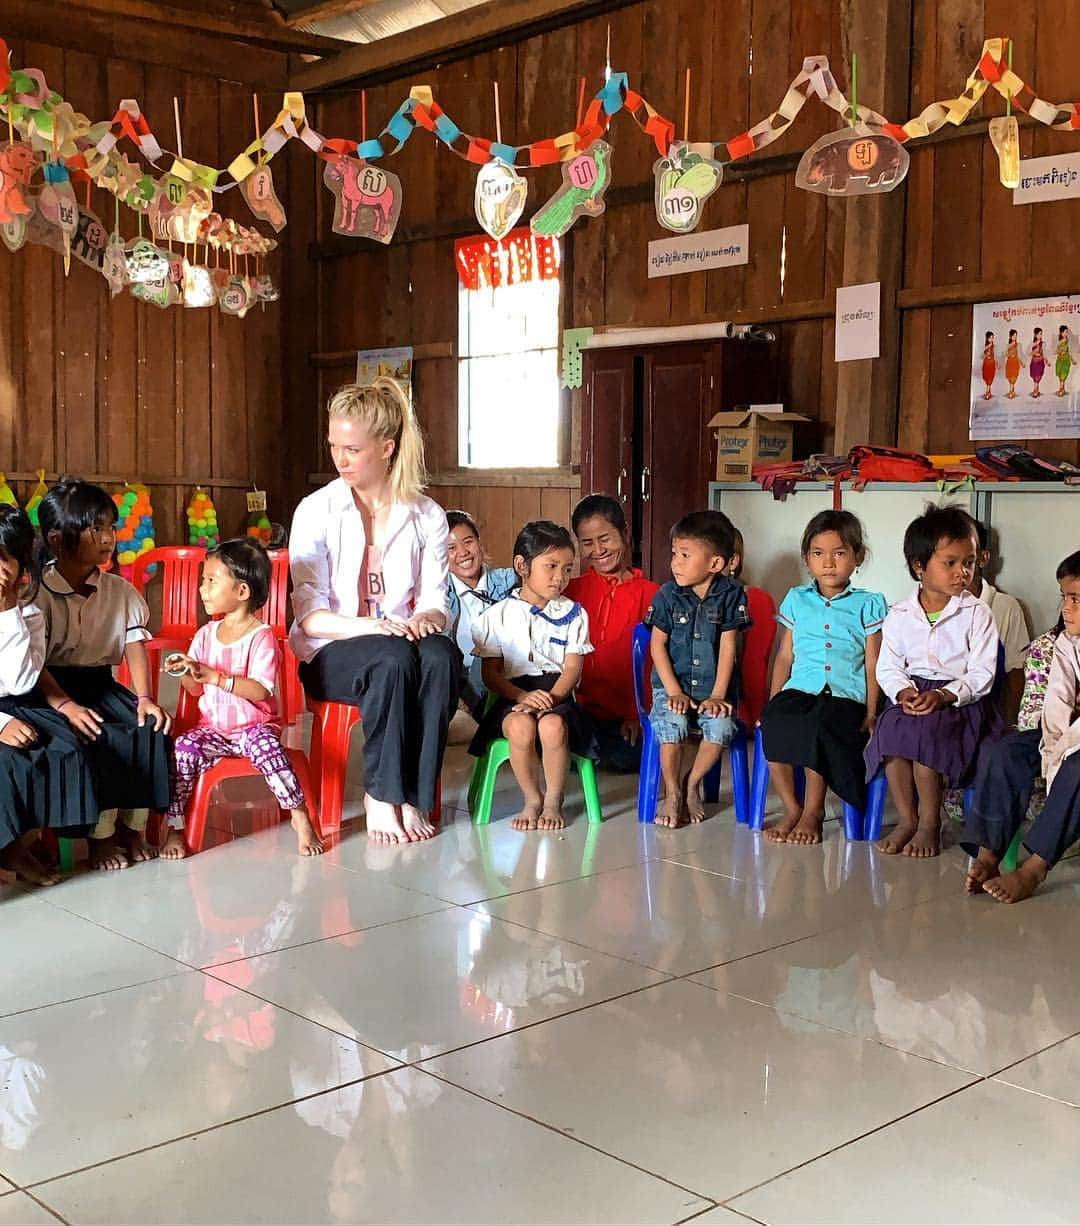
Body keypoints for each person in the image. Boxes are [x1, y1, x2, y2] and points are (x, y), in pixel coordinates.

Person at [289, 378, 459, 846]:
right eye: (334, 447)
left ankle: (416, 794)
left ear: (387, 448)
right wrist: (373, 626)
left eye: (352, 449)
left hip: (400, 641)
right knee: (391, 657)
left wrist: (429, 619)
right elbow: (310, 616)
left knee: (442, 657)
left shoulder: (426, 514)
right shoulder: (316, 510)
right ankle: (381, 795)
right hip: (333, 650)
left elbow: (435, 599)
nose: (340, 460)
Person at [33, 479, 172, 871]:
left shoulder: (120, 591)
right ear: (58, 539)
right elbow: (35, 664)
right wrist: (66, 706)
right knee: (95, 734)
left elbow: (133, 646)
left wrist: (145, 698)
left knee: (148, 728)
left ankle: (133, 828)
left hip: (100, 682)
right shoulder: (36, 594)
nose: (108, 537)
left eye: (110, 527)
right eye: (96, 529)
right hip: (51, 687)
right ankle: (100, 838)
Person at [161, 540, 323, 860]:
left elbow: (262, 691)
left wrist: (216, 677)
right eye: (202, 580)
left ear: (242, 592)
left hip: (254, 728)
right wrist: (184, 671)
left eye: (211, 581)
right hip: (214, 730)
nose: (201, 589)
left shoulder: (261, 636)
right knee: (181, 751)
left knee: (268, 750)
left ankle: (299, 816)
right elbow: (195, 691)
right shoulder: (205, 634)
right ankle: (176, 827)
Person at [865, 504, 1001, 858]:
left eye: (969, 562)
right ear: (919, 566)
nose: (963, 572)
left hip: (961, 703)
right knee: (891, 732)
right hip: (913, 693)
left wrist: (944, 695)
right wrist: (903, 691)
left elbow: (982, 675)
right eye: (951, 562)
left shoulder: (977, 613)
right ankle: (907, 818)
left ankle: (929, 821)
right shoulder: (899, 614)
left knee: (927, 735)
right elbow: (888, 666)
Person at [760, 510, 886, 845]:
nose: (828, 563)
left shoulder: (869, 604)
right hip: (801, 688)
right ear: (807, 559)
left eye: (839, 553)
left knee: (819, 726)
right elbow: (785, 655)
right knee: (774, 720)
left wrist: (873, 712)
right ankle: (792, 807)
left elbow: (874, 663)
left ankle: (814, 811)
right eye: (818, 554)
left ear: (858, 557)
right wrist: (774, 700)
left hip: (846, 696)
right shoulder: (797, 599)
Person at [962, 550, 1080, 902]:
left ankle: (1034, 869)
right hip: (1067, 736)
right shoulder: (1066, 642)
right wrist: (1053, 746)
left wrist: (1062, 754)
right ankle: (989, 853)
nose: (1066, 609)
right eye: (1064, 598)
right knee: (1006, 752)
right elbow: (1057, 702)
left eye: (1076, 599)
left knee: (1077, 768)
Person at [469, 520, 593, 832]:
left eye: (566, 569)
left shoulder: (574, 614)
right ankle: (532, 799)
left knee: (552, 725)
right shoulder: (495, 617)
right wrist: (523, 698)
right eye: (551, 566)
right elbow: (491, 676)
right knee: (520, 726)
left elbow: (573, 669)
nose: (559, 577)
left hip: (558, 693)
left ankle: (553, 798)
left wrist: (551, 699)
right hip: (513, 694)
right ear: (522, 566)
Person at [0, 507, 99, 885]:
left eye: (2, 559)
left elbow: (21, 679)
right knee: (8, 762)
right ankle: (9, 849)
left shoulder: (27, 615)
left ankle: (25, 839)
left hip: (16, 700)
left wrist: (7, 611)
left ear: (21, 568)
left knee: (64, 750)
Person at [645, 510, 750, 828]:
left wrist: (718, 695)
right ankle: (673, 792)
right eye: (674, 553)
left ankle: (692, 785)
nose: (675, 562)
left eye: (685, 555)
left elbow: (729, 647)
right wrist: (673, 691)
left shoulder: (732, 595)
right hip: (671, 686)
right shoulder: (667, 595)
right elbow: (656, 647)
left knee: (719, 728)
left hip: (712, 688)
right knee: (672, 721)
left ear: (715, 564)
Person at [565, 495, 658, 772]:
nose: (598, 550)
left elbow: (655, 662)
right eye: (587, 542)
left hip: (627, 716)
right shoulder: (571, 590)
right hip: (580, 712)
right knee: (553, 739)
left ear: (625, 534)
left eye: (605, 538)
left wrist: (637, 714)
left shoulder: (652, 594)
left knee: (628, 755)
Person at [445, 510, 516, 718]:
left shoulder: (511, 581)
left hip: (500, 679)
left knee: (486, 652)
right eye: (451, 548)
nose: (463, 552)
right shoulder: (437, 596)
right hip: (457, 684)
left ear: (479, 542)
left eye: (468, 542)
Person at [965, 515, 1029, 721]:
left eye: (966, 560)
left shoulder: (1005, 607)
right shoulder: (918, 608)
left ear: (983, 558)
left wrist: (1010, 724)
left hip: (984, 713)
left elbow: (1015, 671)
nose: (958, 570)